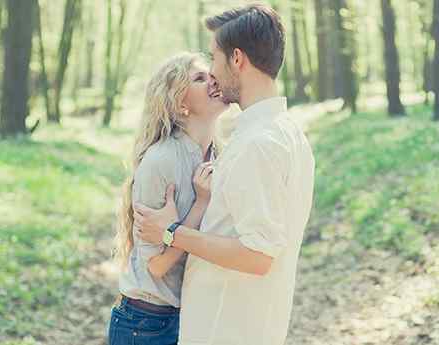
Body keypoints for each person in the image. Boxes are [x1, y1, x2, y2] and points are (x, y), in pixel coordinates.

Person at [135, 4, 315, 345]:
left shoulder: (257, 144)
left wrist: (172, 233)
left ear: (237, 59)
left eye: (214, 60)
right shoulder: (286, 132)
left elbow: (258, 256)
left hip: (228, 327)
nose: (213, 74)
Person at [108, 52, 228, 345]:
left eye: (210, 74)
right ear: (180, 104)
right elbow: (158, 267)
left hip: (194, 316)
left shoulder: (221, 155)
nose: (213, 81)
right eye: (199, 78)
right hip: (147, 323)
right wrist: (200, 204)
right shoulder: (160, 161)